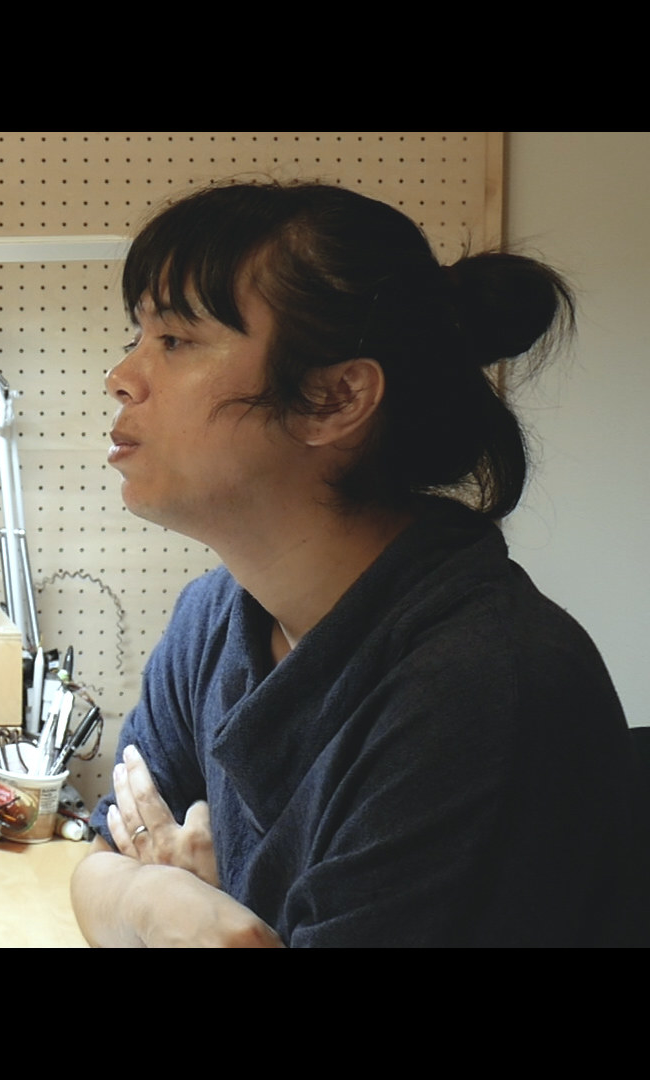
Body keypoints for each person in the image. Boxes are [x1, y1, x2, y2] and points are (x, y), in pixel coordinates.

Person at [70, 181, 647, 947]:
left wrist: (186, 907)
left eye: (174, 340)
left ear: (335, 399)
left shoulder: (480, 689)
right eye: (136, 336)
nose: (122, 375)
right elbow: (99, 863)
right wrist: (155, 902)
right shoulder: (212, 621)